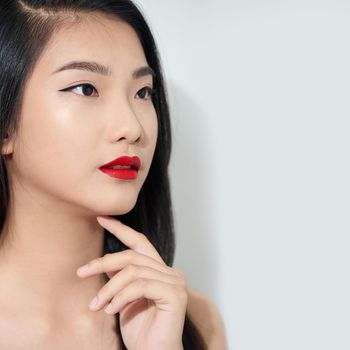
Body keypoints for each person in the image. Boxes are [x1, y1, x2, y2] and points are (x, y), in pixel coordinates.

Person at [0, 0, 228, 349]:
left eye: (143, 92)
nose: (132, 128)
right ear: (6, 126)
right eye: (85, 89)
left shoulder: (191, 320)